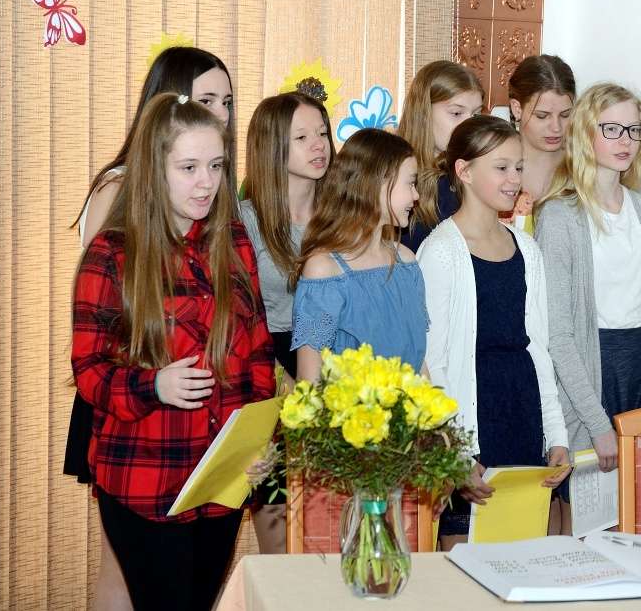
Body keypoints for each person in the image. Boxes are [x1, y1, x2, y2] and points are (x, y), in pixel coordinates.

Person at [71, 93, 274, 610]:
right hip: (145, 483)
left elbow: (257, 354)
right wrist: (153, 385)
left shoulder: (233, 240)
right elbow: (89, 371)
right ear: (152, 169)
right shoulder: (112, 254)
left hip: (220, 484)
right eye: (189, 168)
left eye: (216, 166)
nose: (206, 182)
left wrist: (262, 440)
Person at [418, 116, 569, 548]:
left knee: (526, 554)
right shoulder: (440, 252)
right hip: (471, 425)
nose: (514, 179)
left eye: (518, 167)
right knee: (464, 560)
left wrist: (556, 434)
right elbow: (432, 364)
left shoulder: (527, 248)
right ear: (464, 171)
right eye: (501, 168)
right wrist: (454, 452)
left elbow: (538, 349)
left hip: (521, 415)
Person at [535, 82, 641, 533]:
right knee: (583, 528)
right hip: (588, 377)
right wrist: (596, 422)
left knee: (633, 524)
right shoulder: (560, 216)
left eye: (634, 130)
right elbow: (559, 335)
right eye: (611, 128)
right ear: (585, 133)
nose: (625, 141)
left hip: (640, 370)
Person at [239, 91, 335, 554]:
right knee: (277, 531)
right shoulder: (245, 220)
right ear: (272, 146)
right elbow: (238, 318)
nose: (318, 145)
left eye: (323, 133)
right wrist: (281, 383)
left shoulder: (342, 218)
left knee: (330, 529)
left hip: (335, 369)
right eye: (302, 137)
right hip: (268, 370)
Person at [290, 128, 429, 380]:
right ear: (377, 183)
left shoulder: (406, 261)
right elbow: (309, 380)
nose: (416, 195)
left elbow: (419, 365)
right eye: (410, 183)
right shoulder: (324, 271)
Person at [398, 60, 484, 252]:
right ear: (423, 112)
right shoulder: (389, 172)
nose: (469, 126)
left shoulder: (470, 174)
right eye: (456, 113)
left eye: (476, 115)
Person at [504, 54, 576, 231]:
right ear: (517, 109)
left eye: (565, 115)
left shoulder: (584, 170)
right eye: (542, 116)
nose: (556, 127)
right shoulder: (492, 167)